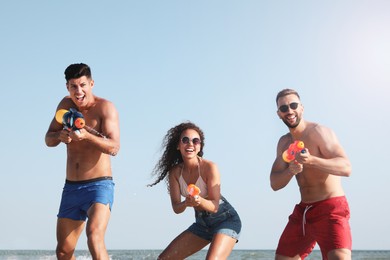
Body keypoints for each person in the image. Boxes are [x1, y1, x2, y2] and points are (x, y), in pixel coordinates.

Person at [45, 63, 120, 260]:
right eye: (73, 86)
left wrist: (87, 136)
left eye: (82, 85)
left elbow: (114, 147)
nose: (78, 91)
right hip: (71, 188)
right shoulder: (65, 105)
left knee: (94, 237)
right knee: (63, 251)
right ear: (67, 87)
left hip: (99, 185)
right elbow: (48, 139)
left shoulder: (105, 108)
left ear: (91, 84)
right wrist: (59, 136)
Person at [270, 89, 352, 260]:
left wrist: (312, 160)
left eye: (293, 105)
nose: (289, 111)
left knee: (339, 258)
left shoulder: (319, 132)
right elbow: (275, 183)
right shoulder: (284, 143)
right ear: (279, 114)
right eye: (284, 108)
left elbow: (346, 167)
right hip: (304, 211)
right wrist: (290, 171)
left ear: (301, 108)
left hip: (331, 208)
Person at [148, 122, 241, 259]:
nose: (190, 144)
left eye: (195, 141)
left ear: (200, 146)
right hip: (202, 225)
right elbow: (176, 208)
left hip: (226, 220)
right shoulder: (175, 172)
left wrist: (199, 201)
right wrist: (186, 203)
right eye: (185, 140)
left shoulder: (209, 167)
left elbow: (214, 206)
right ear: (178, 145)